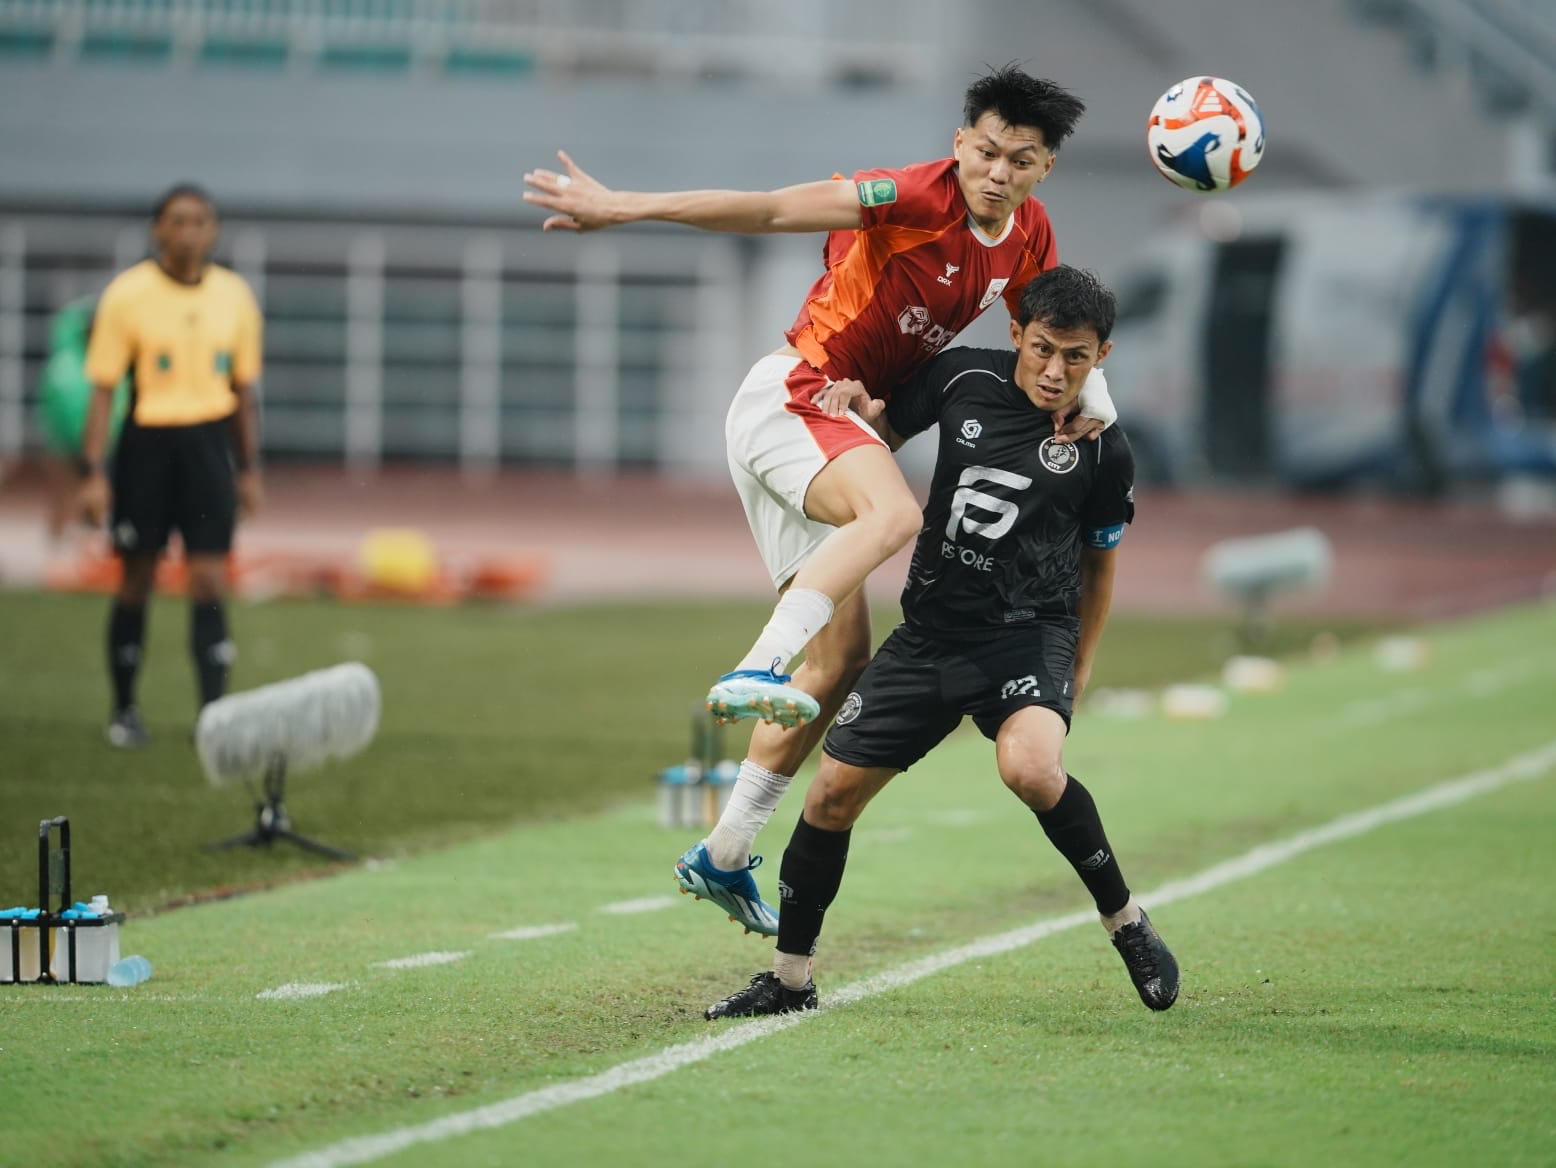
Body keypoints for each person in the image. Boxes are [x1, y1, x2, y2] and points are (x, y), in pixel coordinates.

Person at [524, 65, 1115, 934]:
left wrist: (1094, 410)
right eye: (985, 151)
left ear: (1043, 168)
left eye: (1019, 159)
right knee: (896, 519)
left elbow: (1049, 343)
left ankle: (721, 856)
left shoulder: (1029, 238)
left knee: (842, 663)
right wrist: (625, 208)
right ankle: (759, 666)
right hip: (792, 395)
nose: (998, 171)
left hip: (839, 423)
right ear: (960, 146)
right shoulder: (910, 196)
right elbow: (767, 210)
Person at [703, 265, 1180, 1018]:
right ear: (1017, 334)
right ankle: (789, 980)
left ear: (1103, 358)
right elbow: (875, 440)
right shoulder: (960, 377)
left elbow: (1100, 563)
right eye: (1044, 349)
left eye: (1077, 358)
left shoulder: (1103, 447)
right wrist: (854, 413)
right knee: (828, 797)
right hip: (928, 636)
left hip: (1030, 639)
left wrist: (1079, 666)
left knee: (1028, 767)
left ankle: (1127, 924)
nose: (1055, 372)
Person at [77, 183, 265, 748]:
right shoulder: (127, 295)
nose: (188, 231)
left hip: (208, 448)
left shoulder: (234, 296)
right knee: (137, 575)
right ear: (158, 230)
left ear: (214, 231)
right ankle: (125, 708)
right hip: (146, 446)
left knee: (209, 577)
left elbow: (242, 391)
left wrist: (249, 468)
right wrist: (92, 473)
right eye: (177, 221)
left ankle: (213, 715)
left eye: (199, 221)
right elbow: (104, 390)